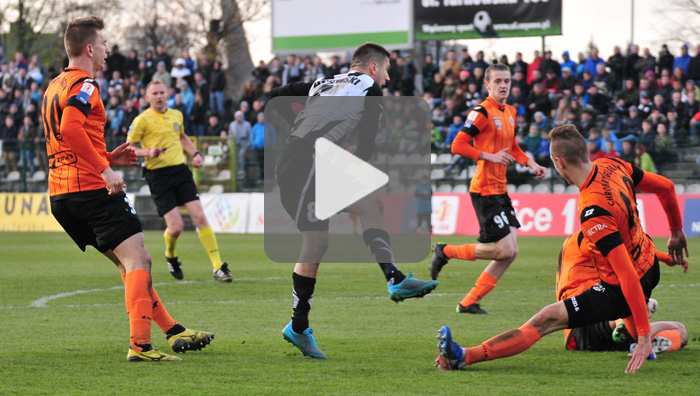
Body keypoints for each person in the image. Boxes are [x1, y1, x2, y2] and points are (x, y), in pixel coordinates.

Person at [434, 124, 688, 374]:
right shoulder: (613, 164)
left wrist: (643, 336)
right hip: (649, 265)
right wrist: (676, 232)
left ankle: (465, 356)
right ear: (585, 151)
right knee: (661, 327)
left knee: (545, 319)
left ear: (559, 162)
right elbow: (666, 187)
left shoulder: (593, 211)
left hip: (622, 287)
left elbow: (626, 276)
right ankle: (647, 340)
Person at [43, 16, 214, 362]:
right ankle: (140, 346)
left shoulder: (55, 85)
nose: (108, 49)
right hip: (91, 190)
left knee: (130, 266)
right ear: (90, 49)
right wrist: (104, 169)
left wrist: (107, 156)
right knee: (140, 259)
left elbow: (63, 139)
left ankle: (173, 331)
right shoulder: (85, 85)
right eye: (104, 43)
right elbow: (71, 128)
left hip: (62, 194)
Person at [269, 42, 437, 359]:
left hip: (305, 158)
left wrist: (298, 127)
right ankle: (299, 326)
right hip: (304, 163)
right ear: (373, 67)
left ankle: (393, 277)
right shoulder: (370, 88)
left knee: (365, 207)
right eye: (386, 69)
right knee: (316, 240)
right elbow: (367, 144)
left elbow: (276, 95)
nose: (387, 77)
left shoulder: (324, 82)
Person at [429, 63, 547, 314]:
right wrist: (488, 156)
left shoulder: (511, 111)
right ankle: (445, 251)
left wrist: (531, 163)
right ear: (487, 85)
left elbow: (513, 147)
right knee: (505, 250)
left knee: (510, 253)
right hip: (484, 189)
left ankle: (469, 302)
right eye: (498, 81)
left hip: (500, 189)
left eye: (507, 81)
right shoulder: (481, 112)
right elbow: (457, 145)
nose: (503, 85)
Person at [126, 80, 232, 282]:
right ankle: (171, 255)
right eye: (154, 93)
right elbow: (129, 148)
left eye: (162, 92)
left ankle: (218, 267)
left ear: (168, 94)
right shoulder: (141, 120)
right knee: (176, 227)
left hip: (181, 172)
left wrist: (196, 153)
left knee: (200, 217)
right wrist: (147, 151)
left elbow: (182, 136)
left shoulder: (176, 115)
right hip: (157, 176)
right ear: (147, 97)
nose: (159, 96)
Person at [557, 230, 688, 354]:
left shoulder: (581, 241)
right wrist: (667, 258)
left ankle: (639, 340)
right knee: (622, 303)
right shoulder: (584, 238)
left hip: (587, 337)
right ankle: (631, 328)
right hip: (583, 321)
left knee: (681, 330)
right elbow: (629, 250)